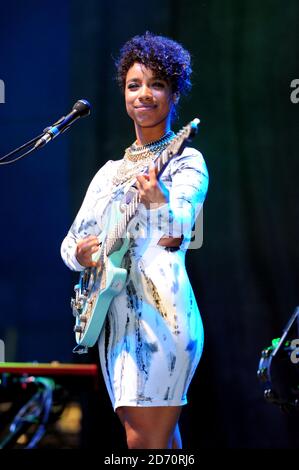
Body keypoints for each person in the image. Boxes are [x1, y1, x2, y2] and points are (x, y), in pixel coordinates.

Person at [61, 31, 209, 449]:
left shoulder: (185, 159)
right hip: (111, 321)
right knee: (155, 444)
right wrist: (84, 253)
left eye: (157, 84)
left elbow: (180, 225)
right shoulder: (109, 173)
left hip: (163, 316)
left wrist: (159, 202)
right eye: (134, 85)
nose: (144, 94)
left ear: (174, 93)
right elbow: (70, 244)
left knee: (143, 444)